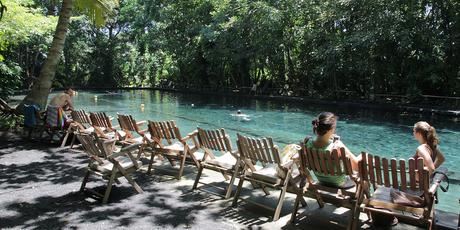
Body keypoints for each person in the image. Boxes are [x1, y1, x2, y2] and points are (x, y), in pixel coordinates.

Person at [305, 112, 361, 188]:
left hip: (321, 180)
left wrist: (329, 139)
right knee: (364, 158)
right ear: (330, 130)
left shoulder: (308, 143)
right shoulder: (337, 146)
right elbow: (356, 166)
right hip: (340, 183)